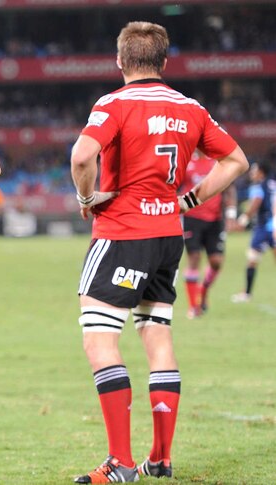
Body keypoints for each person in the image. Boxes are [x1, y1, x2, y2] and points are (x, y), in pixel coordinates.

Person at [69, 21, 248, 483]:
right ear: (164, 63)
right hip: (170, 235)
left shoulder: (113, 103)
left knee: (100, 340)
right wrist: (190, 201)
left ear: (120, 60)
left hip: (123, 232)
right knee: (158, 338)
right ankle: (161, 458)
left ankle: (121, 463)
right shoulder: (191, 108)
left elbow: (81, 157)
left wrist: (87, 199)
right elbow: (236, 161)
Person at [180, 151, 237, 318]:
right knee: (194, 258)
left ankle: (203, 291)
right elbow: (174, 185)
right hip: (192, 217)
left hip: (215, 219)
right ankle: (193, 307)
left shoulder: (217, 161)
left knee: (216, 262)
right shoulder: (186, 161)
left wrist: (232, 214)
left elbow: (229, 187)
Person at [230, 161, 275, 303]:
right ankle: (247, 293)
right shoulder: (272, 183)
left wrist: (242, 221)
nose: (252, 173)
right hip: (272, 225)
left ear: (261, 172)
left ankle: (247, 294)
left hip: (264, 227)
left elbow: (255, 203)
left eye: (254, 170)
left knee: (252, 259)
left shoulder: (258, 186)